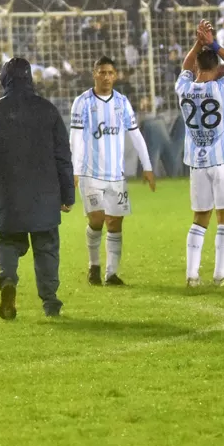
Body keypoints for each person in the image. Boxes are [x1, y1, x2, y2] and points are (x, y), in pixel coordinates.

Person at [0, 57, 74, 319]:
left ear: (5, 79)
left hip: (8, 195)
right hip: (45, 195)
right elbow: (63, 156)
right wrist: (68, 195)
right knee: (46, 247)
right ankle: (50, 302)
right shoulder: (48, 110)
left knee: (8, 241)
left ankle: (8, 282)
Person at [69, 56, 155, 287]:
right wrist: (74, 169)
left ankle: (111, 273)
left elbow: (135, 134)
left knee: (115, 224)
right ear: (94, 73)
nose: (106, 77)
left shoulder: (122, 102)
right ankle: (94, 265)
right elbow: (75, 138)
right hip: (90, 173)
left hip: (116, 176)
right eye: (102, 72)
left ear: (115, 76)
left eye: (110, 73)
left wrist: (147, 166)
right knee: (97, 219)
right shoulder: (83, 102)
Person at [176, 20, 224, 288]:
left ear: (196, 66)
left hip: (196, 162)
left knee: (200, 217)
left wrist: (197, 43)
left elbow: (185, 67)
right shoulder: (221, 88)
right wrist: (213, 43)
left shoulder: (183, 88)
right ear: (217, 69)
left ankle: (192, 276)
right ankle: (220, 276)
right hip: (223, 160)